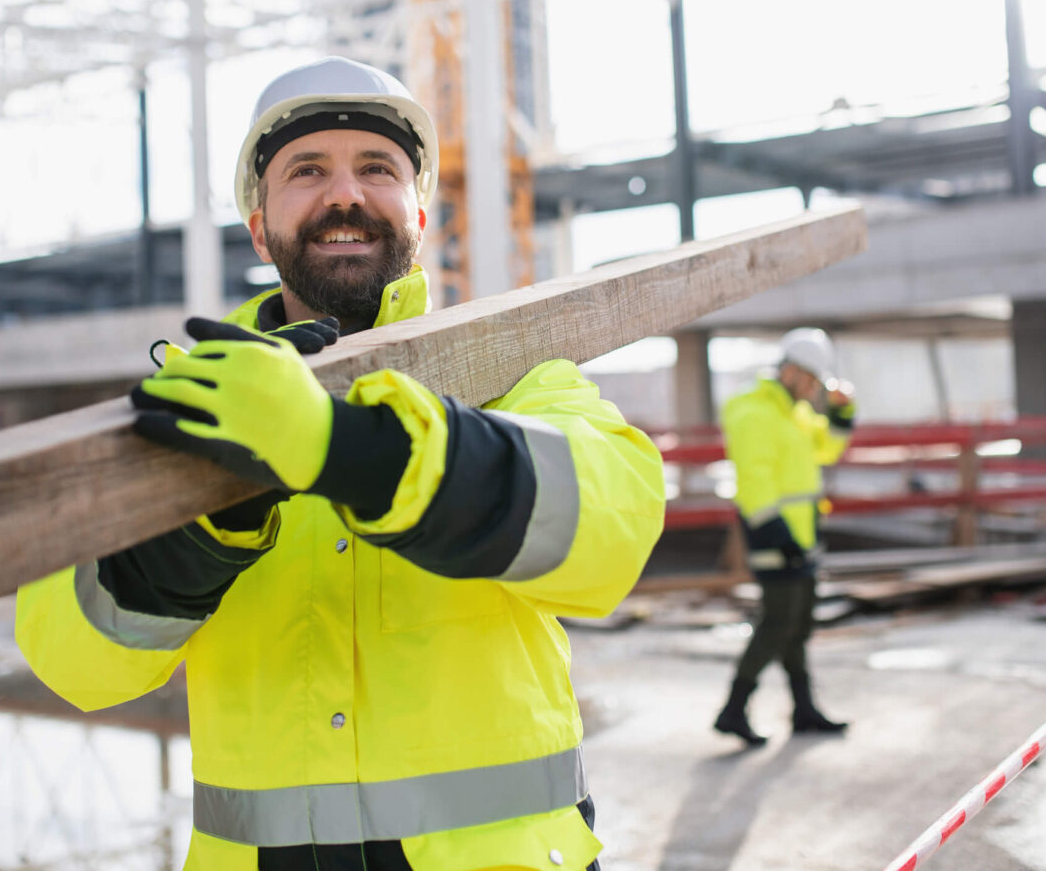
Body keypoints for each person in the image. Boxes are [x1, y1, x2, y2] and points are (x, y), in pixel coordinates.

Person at [16, 57, 666, 871]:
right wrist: (212, 515)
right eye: (308, 171)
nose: (345, 195)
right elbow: (77, 664)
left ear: (419, 215)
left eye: (377, 168)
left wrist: (350, 450)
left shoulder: (518, 381)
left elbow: (614, 533)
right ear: (260, 228)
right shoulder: (193, 416)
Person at [713, 327, 855, 747]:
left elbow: (828, 449)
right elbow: (753, 480)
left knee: (798, 623)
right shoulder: (754, 411)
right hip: (774, 537)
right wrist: (777, 534)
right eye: (811, 380)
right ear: (791, 372)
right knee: (777, 623)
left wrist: (842, 414)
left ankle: (804, 709)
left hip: (803, 537)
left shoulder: (796, 413)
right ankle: (733, 710)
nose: (814, 390)